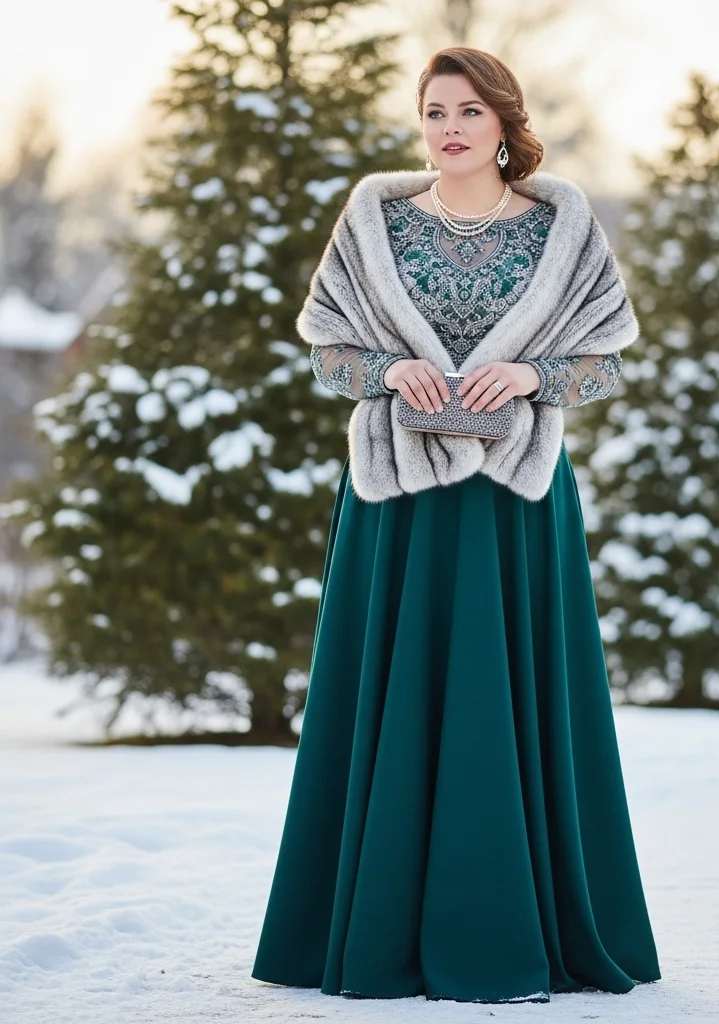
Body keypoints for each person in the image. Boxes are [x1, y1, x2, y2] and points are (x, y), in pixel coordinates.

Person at [250, 45, 661, 1005]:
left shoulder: (561, 228)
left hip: (515, 504)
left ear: (504, 125)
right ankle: (373, 929)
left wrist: (531, 375)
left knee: (508, 702)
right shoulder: (374, 222)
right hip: (398, 504)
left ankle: (518, 928)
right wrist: (391, 372)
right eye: (434, 111)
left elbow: (601, 363)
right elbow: (328, 352)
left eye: (469, 112)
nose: (449, 128)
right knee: (386, 698)